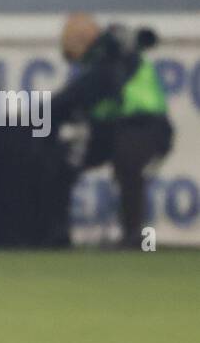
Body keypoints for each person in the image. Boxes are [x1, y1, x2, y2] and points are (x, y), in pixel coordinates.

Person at [51, 13, 174, 249]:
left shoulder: (112, 58)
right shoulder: (109, 56)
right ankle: (57, 232)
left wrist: (44, 112)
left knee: (127, 163)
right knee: (65, 161)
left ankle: (133, 236)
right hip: (113, 127)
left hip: (146, 125)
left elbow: (81, 94)